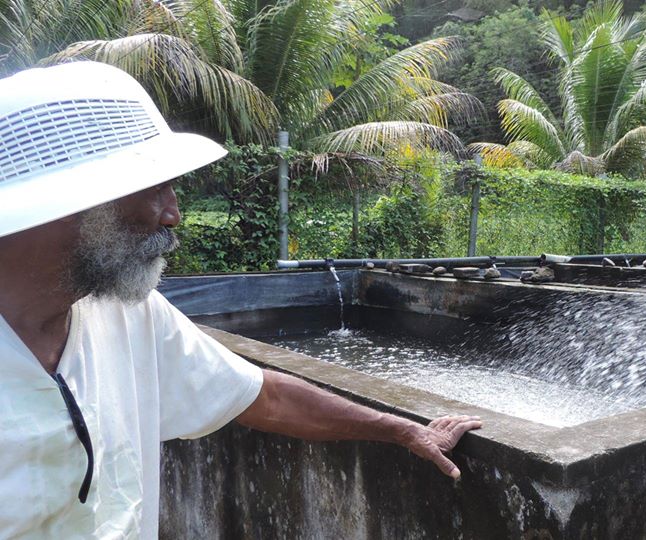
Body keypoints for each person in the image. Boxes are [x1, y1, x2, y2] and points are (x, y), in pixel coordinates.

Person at [0, 61, 482, 538]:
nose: (174, 214)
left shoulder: (125, 314)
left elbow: (264, 396)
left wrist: (403, 430)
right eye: (154, 190)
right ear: (70, 203)